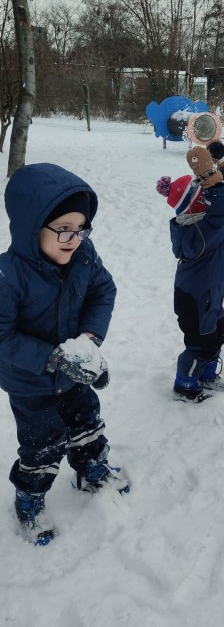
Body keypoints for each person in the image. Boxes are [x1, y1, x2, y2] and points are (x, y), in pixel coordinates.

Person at [0, 163, 129, 547]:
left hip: (74, 370)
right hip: (30, 381)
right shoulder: (8, 276)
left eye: (81, 228)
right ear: (31, 226)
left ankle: (90, 467)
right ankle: (30, 498)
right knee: (45, 441)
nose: (73, 238)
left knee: (86, 419)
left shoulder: (84, 255)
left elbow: (102, 292)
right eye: (63, 229)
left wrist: (88, 340)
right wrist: (54, 357)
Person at [156, 140, 224, 403]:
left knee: (216, 335)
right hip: (194, 301)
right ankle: (185, 385)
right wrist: (210, 179)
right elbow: (222, 207)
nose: (215, 195)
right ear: (196, 206)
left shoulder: (213, 221)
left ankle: (207, 374)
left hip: (209, 296)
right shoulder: (200, 234)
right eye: (207, 194)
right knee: (199, 346)